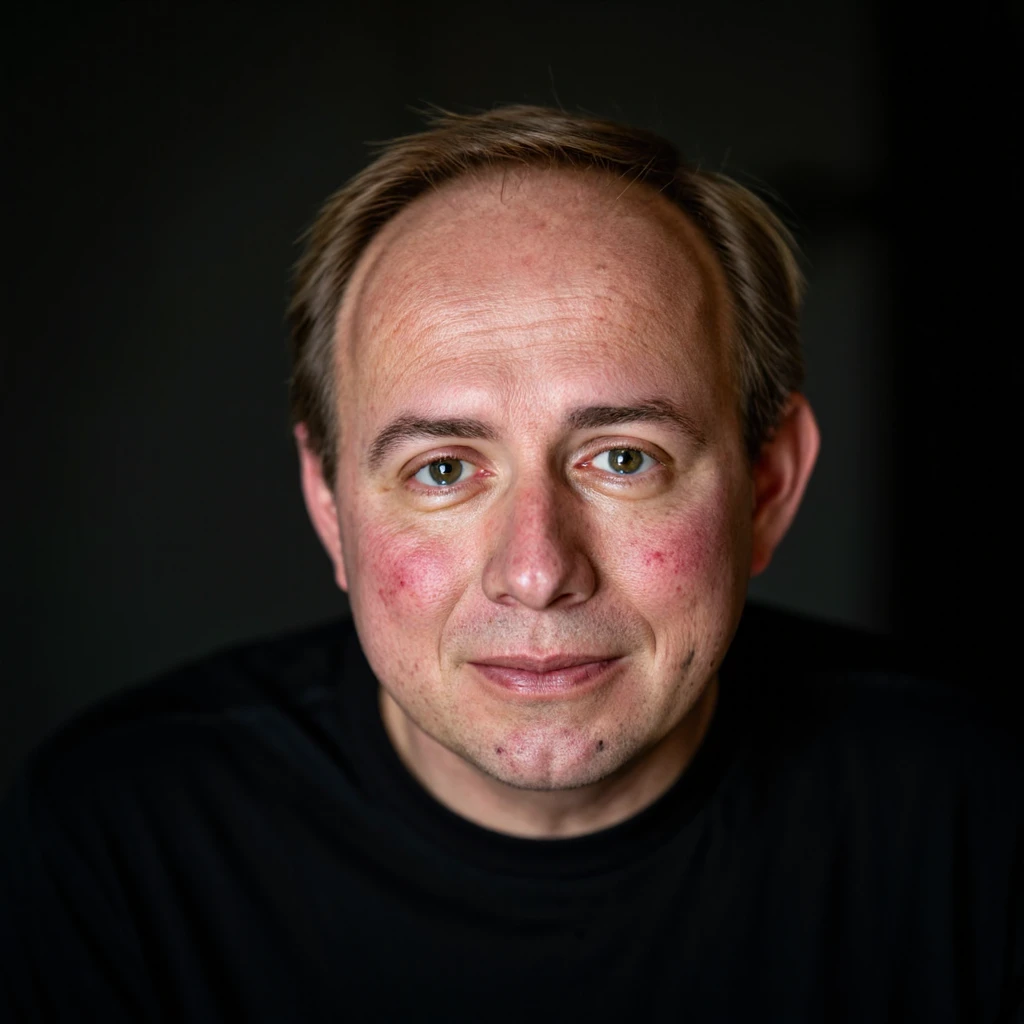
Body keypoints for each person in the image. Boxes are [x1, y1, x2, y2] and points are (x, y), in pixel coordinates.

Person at [2, 105, 1021, 1022]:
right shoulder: (121, 846)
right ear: (328, 503)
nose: (535, 571)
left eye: (623, 458)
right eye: (442, 468)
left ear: (767, 486)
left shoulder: (976, 813)